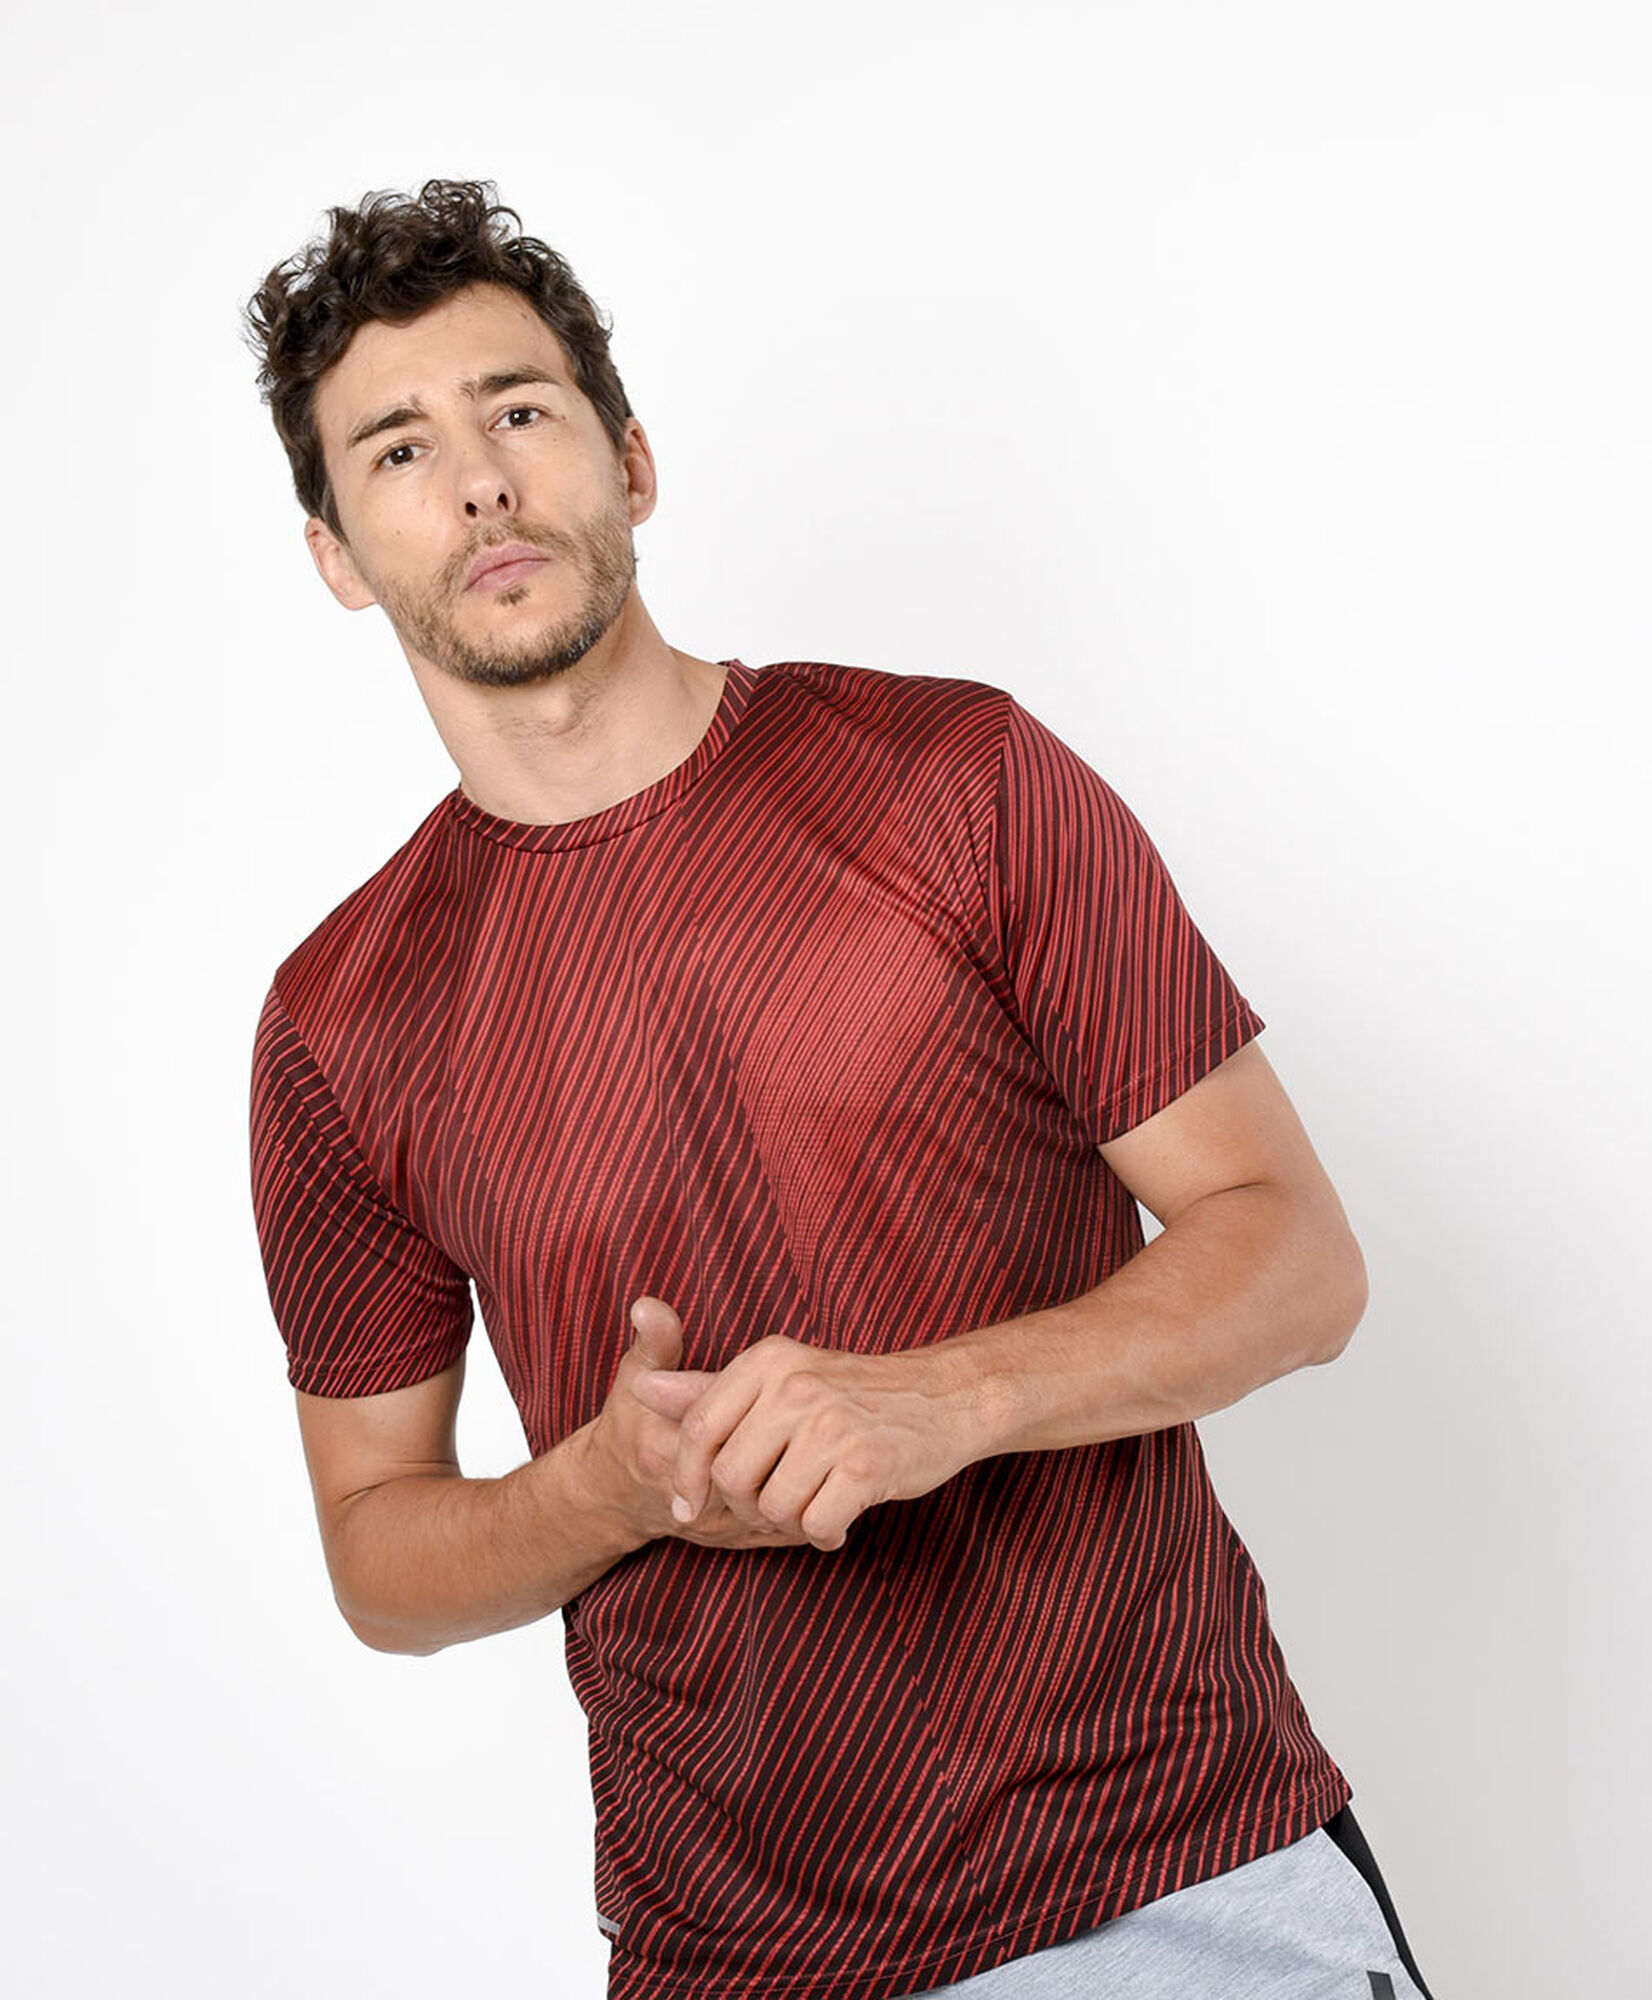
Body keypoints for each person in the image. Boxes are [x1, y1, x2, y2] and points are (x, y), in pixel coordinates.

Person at [245, 180, 1436, 2000]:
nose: (477, 482)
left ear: (631, 461)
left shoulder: (957, 777)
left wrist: (940, 1400)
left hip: (1177, 1879)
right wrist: (610, 1489)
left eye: (519, 409)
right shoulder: (340, 1021)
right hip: (730, 1958)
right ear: (338, 553)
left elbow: (1296, 1259)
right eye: (398, 449)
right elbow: (375, 1552)